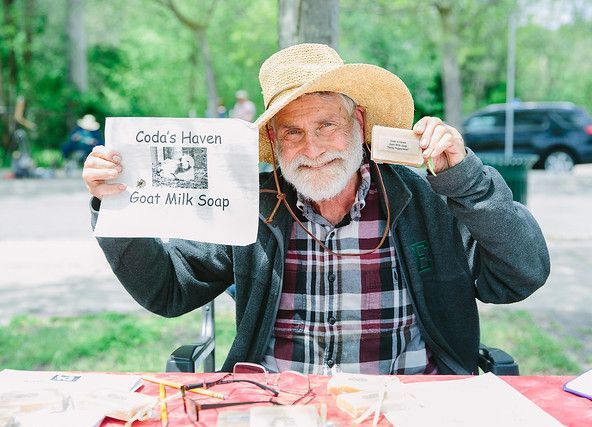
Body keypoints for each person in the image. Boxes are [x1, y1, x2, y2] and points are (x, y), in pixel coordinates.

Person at [83, 44, 550, 375]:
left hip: (409, 405)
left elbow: (521, 273)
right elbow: (167, 289)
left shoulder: (425, 197)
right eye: (293, 132)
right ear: (273, 140)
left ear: (359, 122)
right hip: (276, 408)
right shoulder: (252, 204)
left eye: (327, 124)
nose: (313, 148)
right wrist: (114, 205)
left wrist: (466, 180)